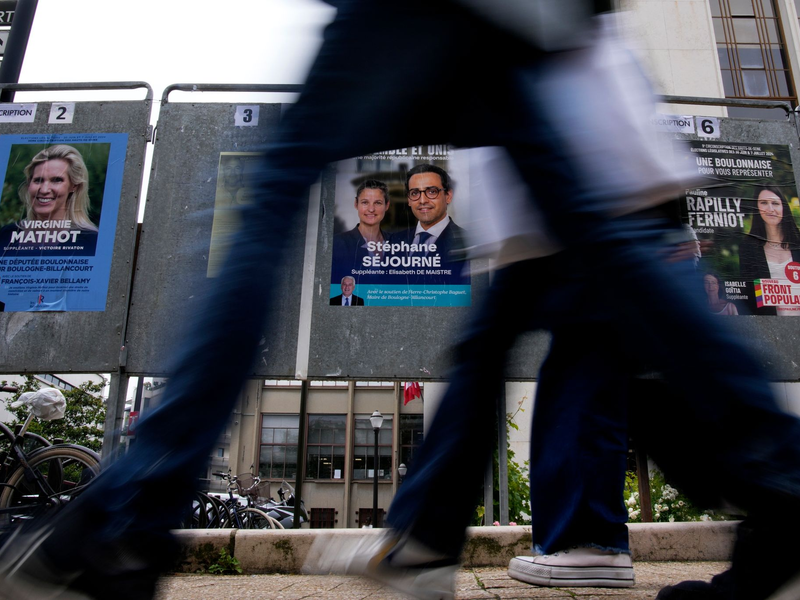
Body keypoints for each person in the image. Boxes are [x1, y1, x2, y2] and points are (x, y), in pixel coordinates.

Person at [4, 3, 800, 600]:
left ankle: (133, 516)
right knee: (591, 231)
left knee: (270, 190)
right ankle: (778, 478)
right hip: (512, 21)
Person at [0, 144, 98, 256]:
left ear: (74, 186)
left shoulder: (90, 241)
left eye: (56, 180)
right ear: (29, 184)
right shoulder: (7, 235)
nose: (44, 189)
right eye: (38, 180)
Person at [400, 164, 468, 285]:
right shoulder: (394, 241)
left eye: (432, 191)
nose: (422, 200)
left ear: (448, 196)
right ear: (409, 200)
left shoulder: (466, 242)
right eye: (415, 193)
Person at [739, 187, 800, 316]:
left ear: (784, 207)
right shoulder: (748, 247)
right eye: (764, 203)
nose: (770, 209)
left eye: (775, 203)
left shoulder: (798, 242)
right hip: (771, 324)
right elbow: (750, 296)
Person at [331, 179, 392, 281]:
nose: (371, 209)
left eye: (377, 203)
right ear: (356, 204)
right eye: (365, 202)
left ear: (387, 205)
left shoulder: (397, 243)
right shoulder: (338, 244)